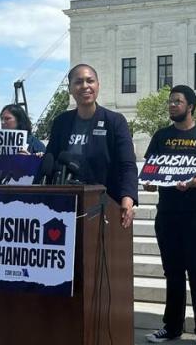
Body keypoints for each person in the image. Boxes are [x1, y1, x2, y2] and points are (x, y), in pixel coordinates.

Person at [143, 85, 196, 345]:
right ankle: (172, 326)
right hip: (168, 212)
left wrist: (191, 181)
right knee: (173, 271)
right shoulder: (161, 136)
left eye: (177, 101)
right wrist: (150, 182)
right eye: (170, 101)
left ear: (191, 106)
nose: (172, 105)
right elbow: (149, 172)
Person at [45, 64, 137, 227]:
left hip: (104, 206)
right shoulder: (61, 122)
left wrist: (128, 198)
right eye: (78, 82)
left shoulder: (114, 121)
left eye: (90, 81)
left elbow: (127, 165)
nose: (85, 86)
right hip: (64, 207)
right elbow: (49, 160)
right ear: (71, 89)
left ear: (98, 85)